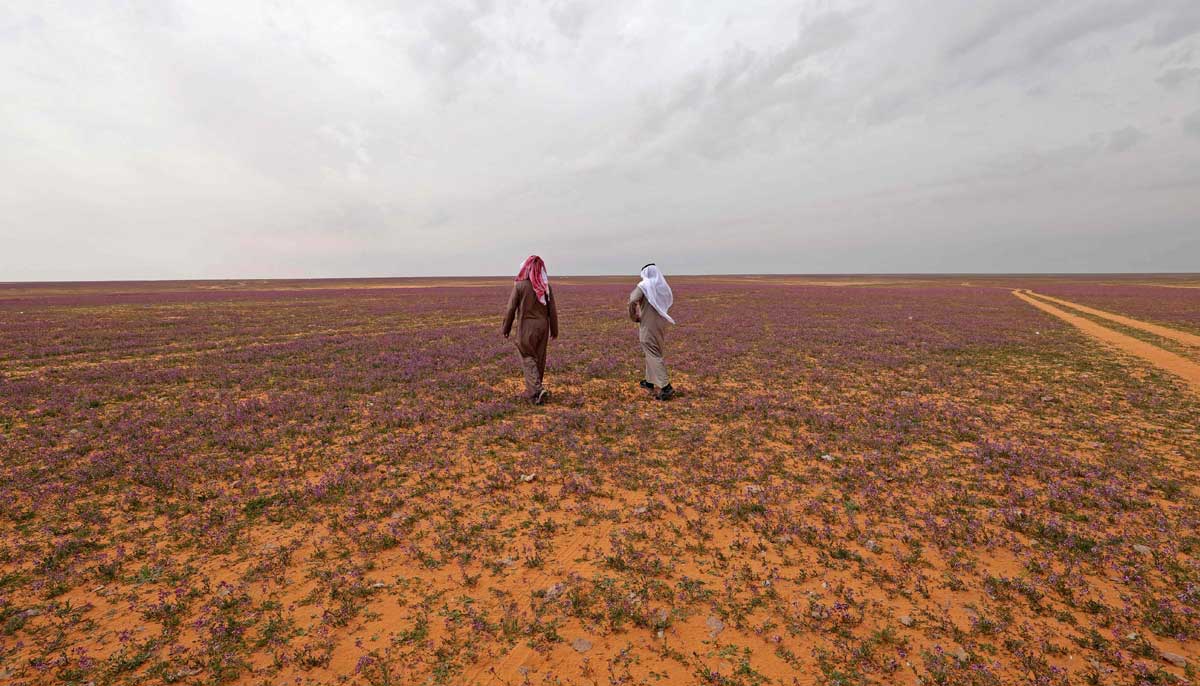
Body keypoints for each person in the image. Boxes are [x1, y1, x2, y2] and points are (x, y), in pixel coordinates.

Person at [502, 255, 558, 404]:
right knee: (539, 358)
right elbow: (552, 310)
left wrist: (506, 328)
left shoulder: (520, 286)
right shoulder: (546, 286)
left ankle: (536, 390)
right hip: (543, 327)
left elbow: (511, 308)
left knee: (527, 356)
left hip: (526, 327)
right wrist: (554, 329)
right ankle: (537, 392)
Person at [628, 263, 675, 400]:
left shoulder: (644, 285)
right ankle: (649, 382)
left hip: (648, 324)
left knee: (652, 353)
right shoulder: (661, 286)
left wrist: (634, 317)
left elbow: (632, 301)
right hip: (661, 323)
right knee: (653, 351)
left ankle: (666, 387)